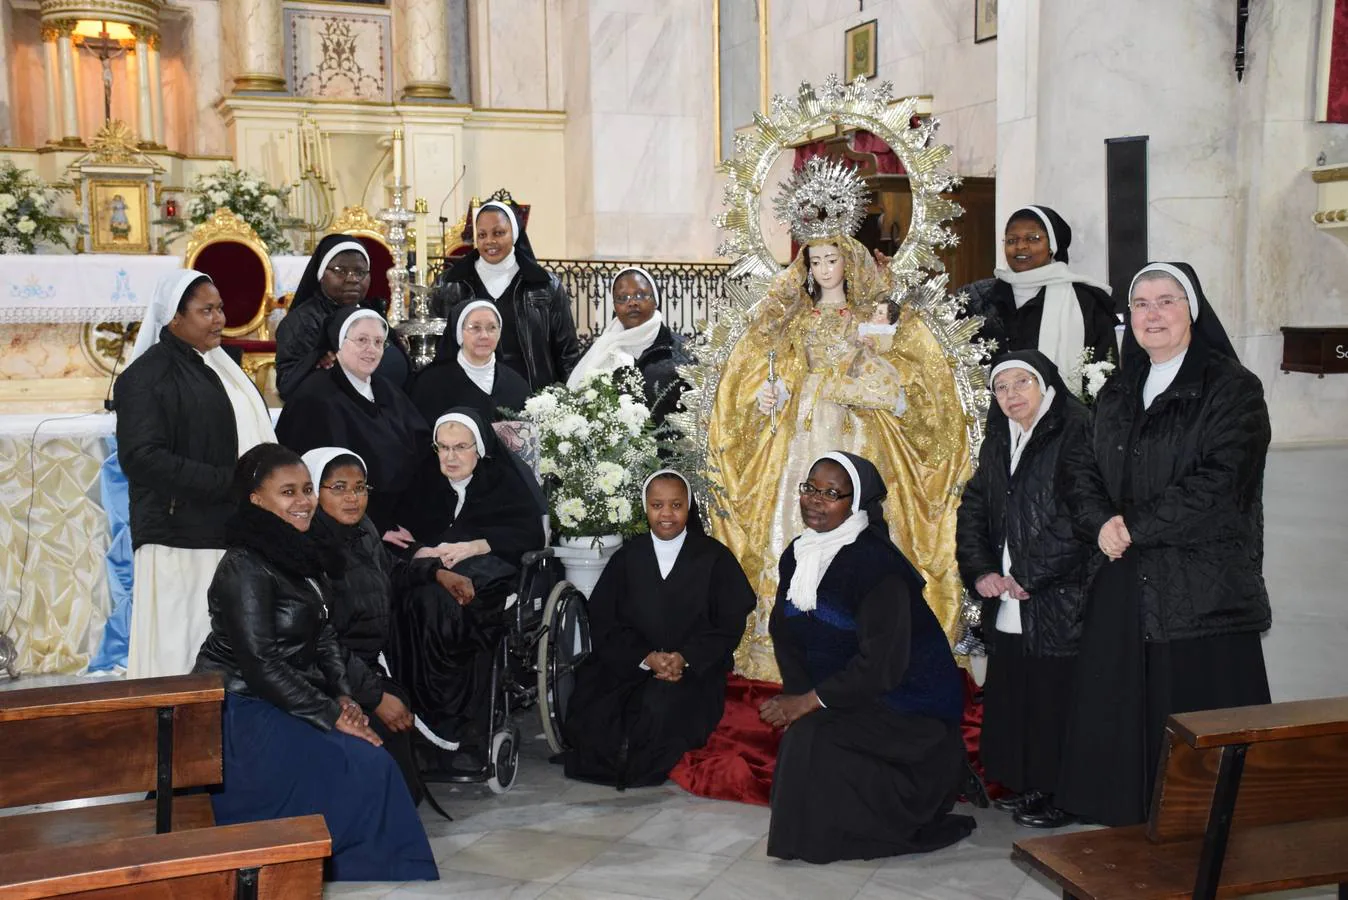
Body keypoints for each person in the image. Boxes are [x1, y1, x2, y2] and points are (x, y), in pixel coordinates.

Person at [707, 177, 972, 680]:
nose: (824, 270)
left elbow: (896, 376)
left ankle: (859, 633)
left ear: (850, 260)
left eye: (832, 259)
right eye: (815, 261)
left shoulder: (873, 317)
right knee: (795, 515)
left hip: (855, 429)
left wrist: (868, 363)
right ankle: (789, 637)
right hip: (803, 427)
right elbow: (781, 368)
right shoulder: (799, 321)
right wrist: (774, 395)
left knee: (857, 521)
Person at [1055, 261, 1272, 827]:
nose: (1153, 314)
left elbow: (1221, 482)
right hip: (1123, 578)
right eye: (1142, 304)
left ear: (1192, 310)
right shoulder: (1119, 389)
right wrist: (1100, 521)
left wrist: (1133, 527)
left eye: (1167, 301)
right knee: (1121, 722)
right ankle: (1128, 835)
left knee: (1198, 735)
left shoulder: (1233, 388)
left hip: (1199, 590)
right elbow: (1079, 468)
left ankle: (1206, 838)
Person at [193, 444, 438, 883]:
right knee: (360, 760)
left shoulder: (300, 552)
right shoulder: (243, 566)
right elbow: (261, 665)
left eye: (307, 489)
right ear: (256, 500)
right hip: (240, 709)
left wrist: (344, 696)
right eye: (288, 492)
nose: (303, 501)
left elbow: (324, 634)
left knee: (373, 754)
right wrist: (332, 716)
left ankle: (362, 863)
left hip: (291, 694)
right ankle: (323, 860)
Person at [760, 453, 975, 863]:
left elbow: (883, 665)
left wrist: (809, 702)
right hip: (852, 692)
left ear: (856, 502)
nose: (815, 501)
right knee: (806, 735)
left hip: (909, 708)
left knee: (814, 737)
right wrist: (801, 695)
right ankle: (812, 834)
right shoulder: (798, 555)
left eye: (831, 494)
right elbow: (786, 633)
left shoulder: (879, 568)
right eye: (810, 488)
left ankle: (854, 832)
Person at [955, 350, 1094, 828]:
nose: (1011, 396)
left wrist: (1030, 574)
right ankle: (1033, 782)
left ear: (1045, 384)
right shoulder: (1000, 438)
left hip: (1059, 594)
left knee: (1060, 699)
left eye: (1021, 384)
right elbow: (975, 505)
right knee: (1021, 696)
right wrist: (980, 569)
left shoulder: (1075, 428)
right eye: (1001, 388)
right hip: (1010, 593)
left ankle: (1066, 792)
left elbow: (1080, 514)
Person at [115, 270, 276, 679]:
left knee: (220, 645)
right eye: (207, 310)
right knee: (178, 647)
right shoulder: (146, 376)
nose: (219, 318)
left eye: (220, 308)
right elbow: (142, 458)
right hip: (178, 536)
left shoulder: (218, 365)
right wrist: (230, 483)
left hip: (223, 529)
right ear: (174, 317)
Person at [302, 446, 475, 807]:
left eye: (361, 487)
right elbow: (320, 642)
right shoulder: (309, 547)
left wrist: (436, 572)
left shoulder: (363, 530)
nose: (352, 498)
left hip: (364, 669)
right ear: (314, 491)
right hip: (328, 681)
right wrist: (375, 697)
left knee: (402, 791)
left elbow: (388, 571)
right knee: (385, 792)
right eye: (338, 487)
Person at [563, 470, 755, 788]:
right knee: (597, 713)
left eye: (676, 505)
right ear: (646, 507)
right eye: (657, 505)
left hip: (692, 671)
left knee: (661, 709)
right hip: (628, 666)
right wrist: (645, 657)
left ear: (688, 507)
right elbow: (605, 622)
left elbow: (727, 625)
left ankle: (635, 765)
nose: (666, 514)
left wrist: (685, 658)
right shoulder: (627, 558)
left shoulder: (714, 558)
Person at [385, 407, 546, 764]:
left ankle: (448, 721)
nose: (451, 456)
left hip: (489, 573)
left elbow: (528, 533)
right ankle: (415, 715)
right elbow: (397, 533)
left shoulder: (502, 482)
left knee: (439, 606)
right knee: (405, 601)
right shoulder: (422, 481)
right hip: (427, 577)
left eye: (460, 447)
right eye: (443, 448)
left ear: (480, 448)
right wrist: (421, 551)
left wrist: (475, 545)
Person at [276, 306, 431, 534]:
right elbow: (312, 480)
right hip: (346, 529)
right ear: (339, 343)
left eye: (379, 342)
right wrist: (377, 527)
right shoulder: (314, 397)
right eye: (362, 340)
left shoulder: (387, 389)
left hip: (403, 519)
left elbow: (422, 448)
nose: (372, 350)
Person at [431, 199, 581, 390]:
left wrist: (569, 400)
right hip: (468, 392)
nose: (490, 241)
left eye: (499, 233)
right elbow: (438, 349)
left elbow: (567, 352)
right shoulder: (450, 284)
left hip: (532, 394)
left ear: (515, 234)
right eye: (482, 235)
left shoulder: (545, 285)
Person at [961, 205, 1117, 386]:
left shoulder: (1087, 301)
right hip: (987, 411)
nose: (1020, 246)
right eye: (1012, 240)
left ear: (1052, 246)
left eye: (1033, 239)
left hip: (1065, 412)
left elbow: (1107, 373)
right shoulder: (975, 299)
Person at [275, 235, 412, 399]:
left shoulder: (372, 313)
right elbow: (287, 383)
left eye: (360, 272)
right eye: (340, 271)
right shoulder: (302, 321)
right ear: (321, 275)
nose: (352, 279)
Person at [566, 266, 691, 425]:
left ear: (655, 301)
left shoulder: (682, 352)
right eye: (622, 298)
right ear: (615, 307)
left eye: (640, 295)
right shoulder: (601, 352)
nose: (631, 303)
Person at [409, 298, 530, 426]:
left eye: (492, 328)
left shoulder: (516, 384)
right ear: (459, 333)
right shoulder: (430, 383)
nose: (484, 335)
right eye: (475, 328)